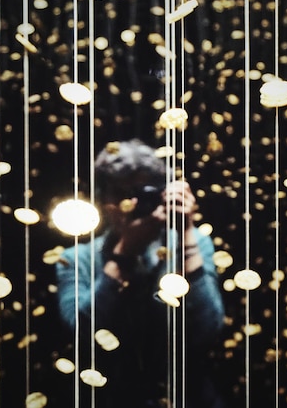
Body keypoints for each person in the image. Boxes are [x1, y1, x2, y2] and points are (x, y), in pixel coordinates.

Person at [55, 139, 225, 408]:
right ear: (103, 199)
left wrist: (187, 232)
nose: (132, 203)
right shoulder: (77, 258)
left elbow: (208, 329)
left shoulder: (191, 243)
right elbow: (82, 333)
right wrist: (124, 254)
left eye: (143, 192)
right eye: (120, 193)